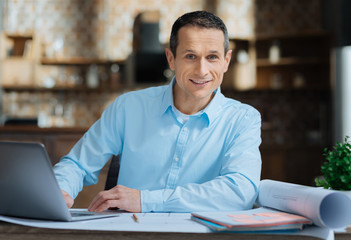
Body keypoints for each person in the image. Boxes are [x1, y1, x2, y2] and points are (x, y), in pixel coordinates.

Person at [54, 10, 262, 213]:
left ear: (226, 61)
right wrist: (60, 189)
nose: (202, 70)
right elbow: (78, 164)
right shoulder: (128, 107)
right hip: (129, 232)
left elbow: (239, 192)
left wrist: (145, 200)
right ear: (171, 59)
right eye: (190, 56)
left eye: (212, 57)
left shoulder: (243, 119)